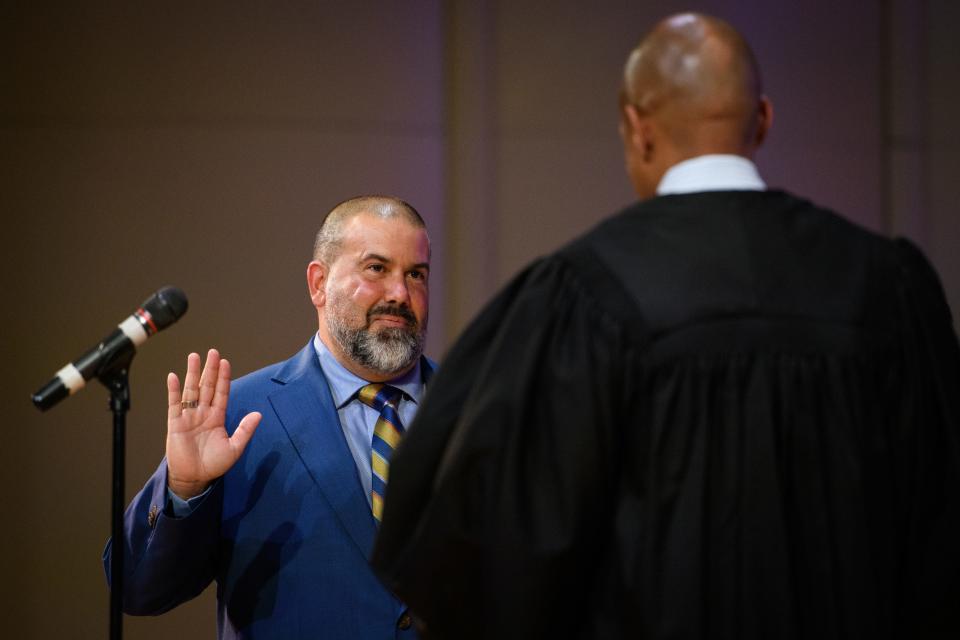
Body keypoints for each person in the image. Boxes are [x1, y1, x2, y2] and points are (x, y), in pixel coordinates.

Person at [371, 12, 960, 640]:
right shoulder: (886, 288)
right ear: (762, 120)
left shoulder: (579, 296)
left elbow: (480, 555)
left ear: (636, 129)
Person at [104, 195, 434, 639]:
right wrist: (185, 490)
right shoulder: (240, 415)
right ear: (318, 284)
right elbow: (137, 590)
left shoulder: (478, 414)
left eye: (415, 274)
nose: (400, 293)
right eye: (376, 269)